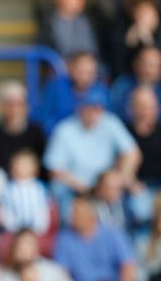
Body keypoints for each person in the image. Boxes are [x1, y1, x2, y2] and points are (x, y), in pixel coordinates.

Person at [44, 85, 141, 221]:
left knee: (140, 202)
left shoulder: (110, 122)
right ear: (79, 108)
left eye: (97, 108)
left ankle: (126, 235)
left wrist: (123, 176)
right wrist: (85, 187)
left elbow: (132, 153)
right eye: (89, 107)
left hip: (106, 182)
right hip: (75, 186)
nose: (93, 112)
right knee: (59, 191)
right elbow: (55, 171)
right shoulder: (64, 129)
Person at [54, 195, 138, 281]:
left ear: (92, 215)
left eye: (77, 213)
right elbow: (62, 273)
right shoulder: (65, 239)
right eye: (72, 212)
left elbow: (128, 266)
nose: (72, 217)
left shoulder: (113, 234)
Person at [0, 81, 48, 173]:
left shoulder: (36, 133)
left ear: (26, 106)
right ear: (2, 106)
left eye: (19, 104)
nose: (14, 109)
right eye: (10, 104)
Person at [38, 51, 104, 132]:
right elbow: (45, 119)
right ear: (70, 69)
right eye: (82, 71)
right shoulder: (56, 87)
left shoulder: (101, 91)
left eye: (90, 72)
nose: (86, 77)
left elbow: (107, 121)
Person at [0, 149, 53, 235]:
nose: (22, 168)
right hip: (14, 232)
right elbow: (6, 212)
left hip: (37, 231)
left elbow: (43, 210)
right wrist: (13, 229)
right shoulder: (8, 189)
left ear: (35, 168)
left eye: (25, 165)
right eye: (18, 164)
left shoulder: (41, 188)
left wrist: (39, 229)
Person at [110, 46, 161, 120]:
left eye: (158, 66)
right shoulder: (122, 86)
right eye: (148, 64)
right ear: (135, 64)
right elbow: (114, 114)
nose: (152, 70)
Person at [127, 85, 161, 186]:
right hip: (136, 187)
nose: (148, 112)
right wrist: (132, 184)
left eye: (152, 107)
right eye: (143, 107)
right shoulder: (123, 132)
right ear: (132, 108)